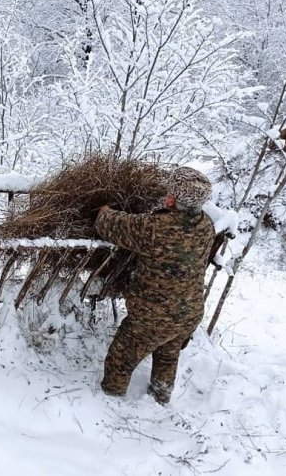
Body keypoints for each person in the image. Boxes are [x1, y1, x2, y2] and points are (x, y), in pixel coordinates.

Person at [94, 166, 216, 404]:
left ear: (173, 198)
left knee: (121, 358)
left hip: (154, 316)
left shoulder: (156, 227)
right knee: (168, 356)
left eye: (169, 192)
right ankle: (160, 398)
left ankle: (111, 400)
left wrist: (104, 210)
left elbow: (108, 225)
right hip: (189, 312)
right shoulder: (205, 225)